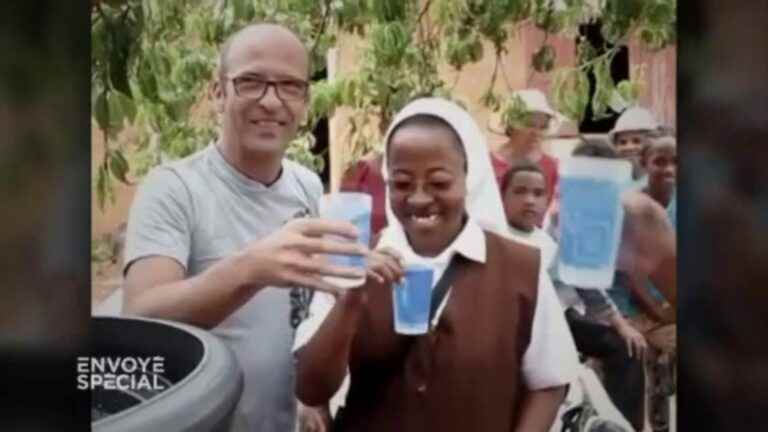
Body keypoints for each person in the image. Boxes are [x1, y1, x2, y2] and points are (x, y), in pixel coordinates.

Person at [121, 23, 372, 432]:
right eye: (252, 82)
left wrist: (312, 399)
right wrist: (250, 269)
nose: (271, 102)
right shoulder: (173, 188)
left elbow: (303, 313)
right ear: (218, 93)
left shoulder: (307, 186)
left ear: (306, 101)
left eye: (290, 86)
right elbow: (140, 319)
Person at [294, 97, 579, 431]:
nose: (418, 198)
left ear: (467, 178)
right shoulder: (354, 265)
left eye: (439, 183)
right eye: (401, 184)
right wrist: (351, 301)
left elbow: (549, 382)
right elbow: (312, 388)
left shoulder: (520, 269)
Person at [500, 158, 648, 430]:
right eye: (520, 192)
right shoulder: (492, 236)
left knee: (625, 347)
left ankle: (620, 424)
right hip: (512, 324)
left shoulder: (550, 241)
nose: (530, 200)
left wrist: (621, 325)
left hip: (559, 321)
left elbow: (586, 286)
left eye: (538, 193)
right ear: (502, 196)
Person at [490, 89, 561, 213]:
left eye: (542, 127)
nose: (536, 132)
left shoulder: (552, 167)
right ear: (511, 124)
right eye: (530, 124)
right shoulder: (486, 163)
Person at [608, 106, 661, 189]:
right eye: (622, 142)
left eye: (636, 141)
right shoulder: (614, 174)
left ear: (652, 142)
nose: (629, 147)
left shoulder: (659, 174)